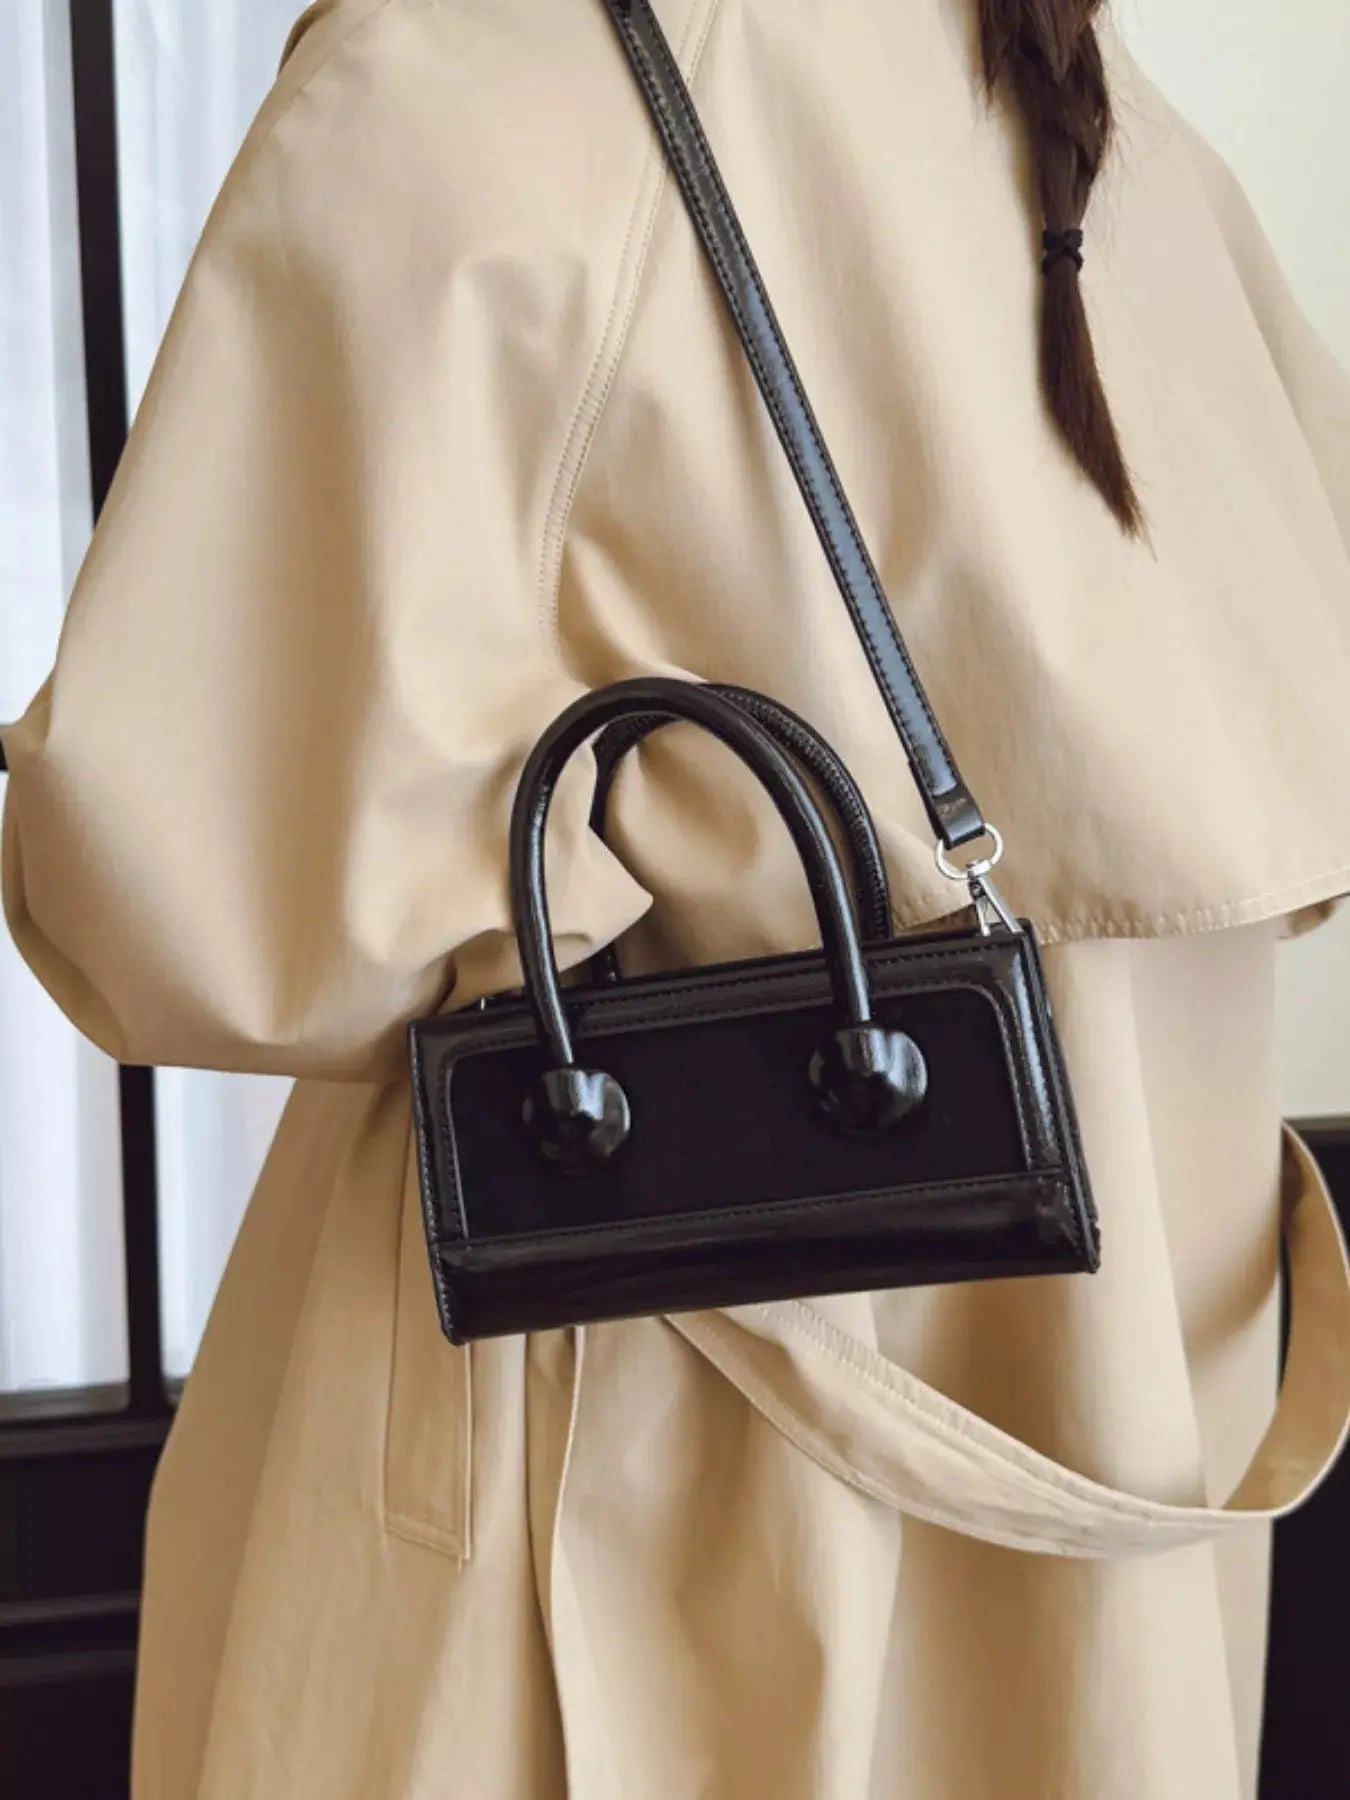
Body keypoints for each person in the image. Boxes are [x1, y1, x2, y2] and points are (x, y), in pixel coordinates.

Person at [5, 1, 1350, 1794]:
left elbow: (179, 889)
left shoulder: (490, 64)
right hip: (1115, 1503)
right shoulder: (1105, 119)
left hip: (639, 1491)